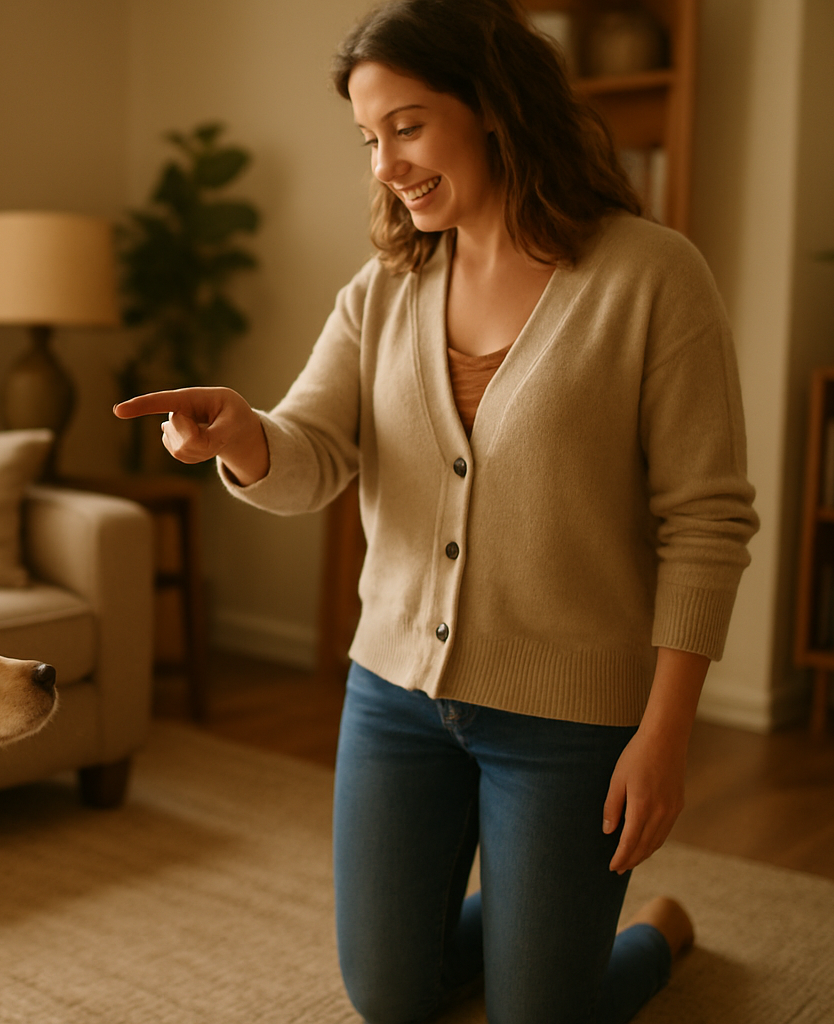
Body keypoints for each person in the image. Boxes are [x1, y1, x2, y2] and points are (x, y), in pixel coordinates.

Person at [114, 1, 760, 1021]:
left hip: (568, 718)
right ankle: (548, 922)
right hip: (396, 698)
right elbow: (313, 455)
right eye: (369, 138)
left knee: (538, 1010)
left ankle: (646, 939)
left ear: (494, 109)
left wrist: (666, 732)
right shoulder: (383, 290)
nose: (383, 164)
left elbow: (707, 519)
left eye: (406, 127)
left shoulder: (652, 276)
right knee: (388, 996)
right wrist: (240, 435)